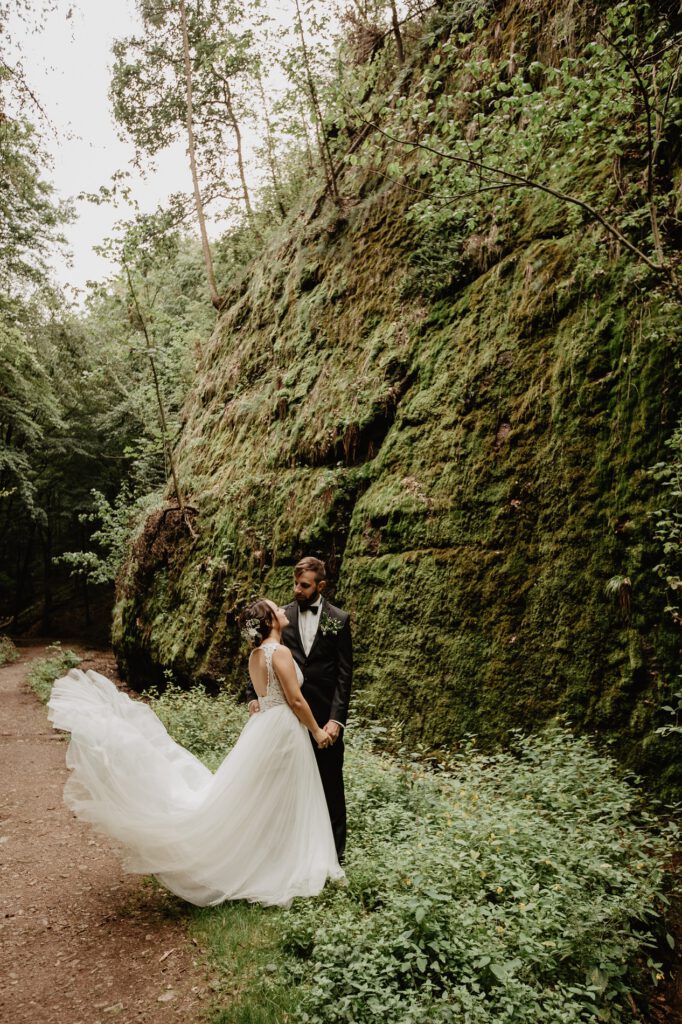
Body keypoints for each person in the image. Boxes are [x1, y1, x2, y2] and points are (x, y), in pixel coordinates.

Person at [47, 598, 344, 909]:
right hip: (282, 729)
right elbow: (295, 701)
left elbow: (265, 695)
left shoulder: (255, 655)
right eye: (278, 609)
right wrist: (317, 731)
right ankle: (283, 866)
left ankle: (272, 860)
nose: (285, 611)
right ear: (270, 620)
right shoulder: (280, 652)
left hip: (265, 728)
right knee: (282, 797)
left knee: (266, 799)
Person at [246, 557, 352, 861]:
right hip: (287, 719)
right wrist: (254, 695)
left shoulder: (339, 620)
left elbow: (345, 675)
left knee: (331, 785)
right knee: (288, 788)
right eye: (295, 583)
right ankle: (292, 853)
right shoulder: (280, 619)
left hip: (323, 718)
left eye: (304, 585)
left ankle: (335, 855)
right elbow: (258, 656)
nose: (297, 590)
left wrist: (336, 719)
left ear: (321, 585)